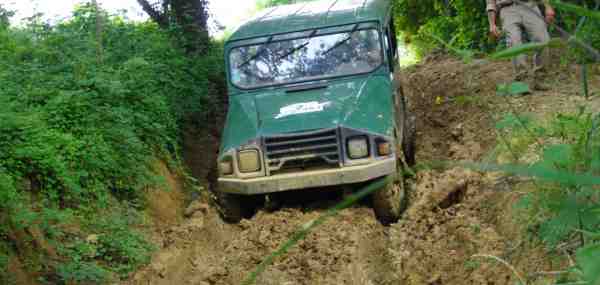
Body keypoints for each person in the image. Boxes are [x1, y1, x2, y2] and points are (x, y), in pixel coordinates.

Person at [487, 0, 555, 89]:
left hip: (530, 6)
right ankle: (522, 81)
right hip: (508, 9)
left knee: (543, 40)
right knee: (514, 41)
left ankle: (540, 79)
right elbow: (490, 2)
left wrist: (548, 6)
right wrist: (492, 24)